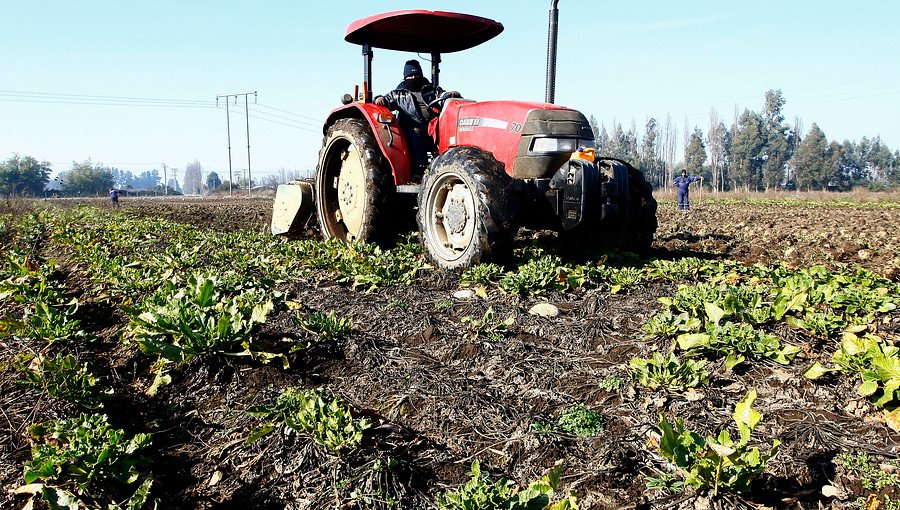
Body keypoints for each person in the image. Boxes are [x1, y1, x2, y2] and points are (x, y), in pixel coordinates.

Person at [374, 59, 457, 171]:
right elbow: (386, 100)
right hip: (410, 128)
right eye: (410, 75)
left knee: (451, 131)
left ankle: (450, 166)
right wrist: (379, 99)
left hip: (432, 127)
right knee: (416, 133)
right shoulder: (398, 94)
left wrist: (450, 95)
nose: (413, 78)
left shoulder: (432, 90)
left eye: (416, 74)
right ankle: (420, 170)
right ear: (405, 77)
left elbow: (442, 96)